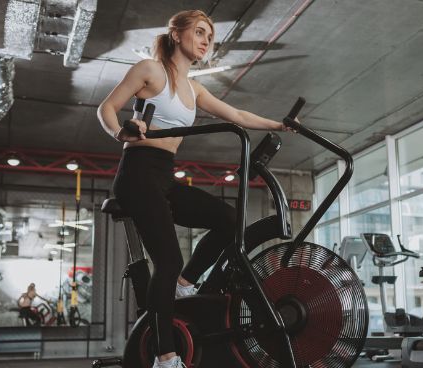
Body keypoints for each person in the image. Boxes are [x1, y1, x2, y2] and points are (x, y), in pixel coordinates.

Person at [97, 9, 297, 368]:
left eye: (211, 37)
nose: (207, 41)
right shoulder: (150, 70)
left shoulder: (194, 88)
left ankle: (185, 282)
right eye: (201, 32)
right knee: (168, 260)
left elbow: (237, 116)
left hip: (164, 176)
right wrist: (120, 132)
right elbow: (106, 108)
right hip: (137, 174)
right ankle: (165, 356)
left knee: (227, 218)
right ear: (177, 34)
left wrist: (280, 124)